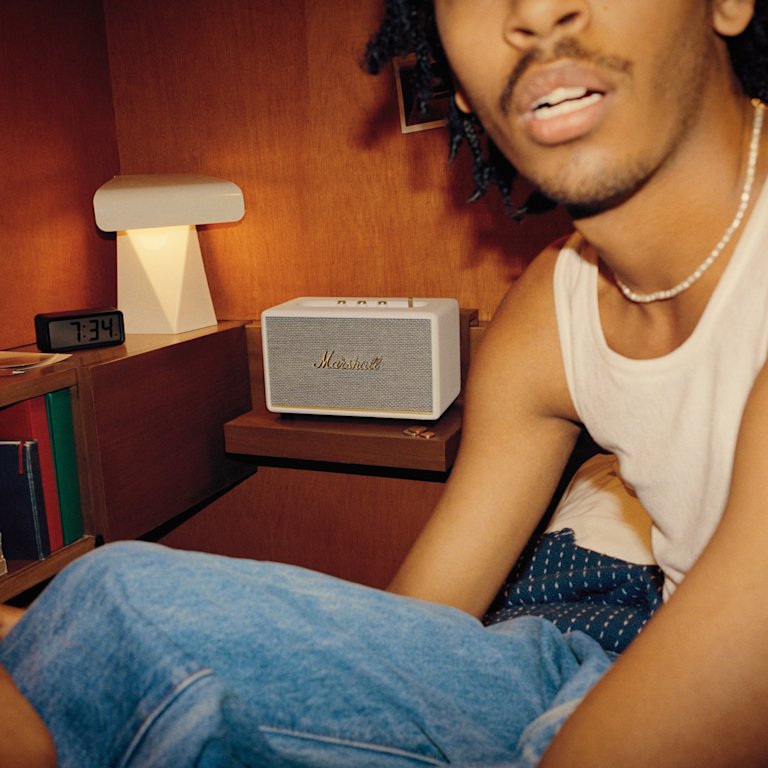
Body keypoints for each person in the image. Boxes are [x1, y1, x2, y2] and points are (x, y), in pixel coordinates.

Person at [2, 1, 767, 765]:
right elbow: (413, 641)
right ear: (458, 81)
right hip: (585, 676)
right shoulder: (551, 312)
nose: (533, 11)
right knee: (113, 600)